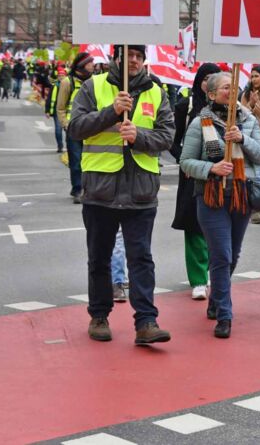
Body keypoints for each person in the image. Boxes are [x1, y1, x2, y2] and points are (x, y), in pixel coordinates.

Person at [67, 44, 175, 345]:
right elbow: (75, 128)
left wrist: (139, 137)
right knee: (99, 258)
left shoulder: (157, 92)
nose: (135, 60)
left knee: (141, 258)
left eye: (140, 56)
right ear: (117, 57)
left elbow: (167, 135)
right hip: (100, 190)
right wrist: (111, 112)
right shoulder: (94, 86)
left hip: (141, 192)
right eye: (129, 55)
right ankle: (99, 316)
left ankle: (146, 322)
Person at [180, 71, 260, 338]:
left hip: (242, 194)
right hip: (212, 196)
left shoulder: (248, 120)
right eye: (225, 88)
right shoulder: (200, 123)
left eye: (234, 87)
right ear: (211, 94)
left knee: (233, 255)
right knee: (221, 255)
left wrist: (243, 138)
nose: (231, 92)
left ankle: (216, 299)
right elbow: (185, 163)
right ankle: (225, 315)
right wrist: (212, 167)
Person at [171, 63, 220, 301]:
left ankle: (214, 270)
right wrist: (186, 161)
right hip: (191, 175)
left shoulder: (227, 109)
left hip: (218, 173)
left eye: (215, 78)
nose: (209, 82)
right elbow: (172, 140)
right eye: (206, 78)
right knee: (194, 225)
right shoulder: (185, 106)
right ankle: (198, 279)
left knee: (216, 224)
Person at [57, 53, 95, 203]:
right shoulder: (68, 82)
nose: (93, 65)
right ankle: (78, 189)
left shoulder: (93, 82)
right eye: (90, 62)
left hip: (90, 128)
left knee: (89, 161)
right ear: (82, 65)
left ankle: (88, 189)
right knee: (76, 161)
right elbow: (60, 108)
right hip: (73, 130)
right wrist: (66, 125)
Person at [241, 65, 260, 224]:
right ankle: (255, 209)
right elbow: (241, 116)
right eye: (252, 76)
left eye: (257, 76)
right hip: (256, 140)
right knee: (257, 176)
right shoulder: (246, 95)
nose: (253, 79)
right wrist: (252, 105)